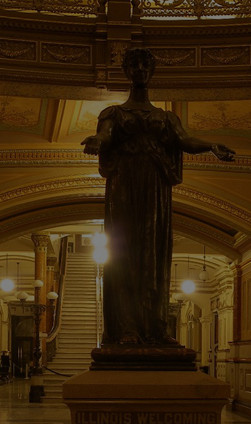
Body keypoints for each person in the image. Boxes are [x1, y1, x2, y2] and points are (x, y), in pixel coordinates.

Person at [82, 48, 236, 348]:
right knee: (125, 256)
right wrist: (97, 141)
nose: (140, 69)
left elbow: (184, 140)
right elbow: (106, 135)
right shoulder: (114, 113)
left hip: (155, 189)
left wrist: (210, 145)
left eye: (145, 65)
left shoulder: (166, 117)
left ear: (151, 71)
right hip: (124, 186)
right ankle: (127, 327)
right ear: (126, 71)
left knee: (154, 258)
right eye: (134, 65)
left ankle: (155, 327)